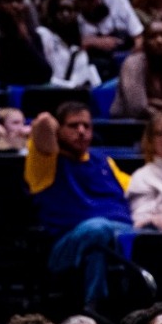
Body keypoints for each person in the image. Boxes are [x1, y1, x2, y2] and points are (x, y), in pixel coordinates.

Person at [26, 103, 137, 307]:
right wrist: (54, 131)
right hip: (67, 244)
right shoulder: (45, 161)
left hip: (120, 232)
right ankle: (97, 306)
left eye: (86, 126)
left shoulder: (104, 161)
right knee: (98, 229)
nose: (81, 131)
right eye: (73, 125)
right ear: (59, 129)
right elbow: (43, 122)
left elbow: (136, 189)